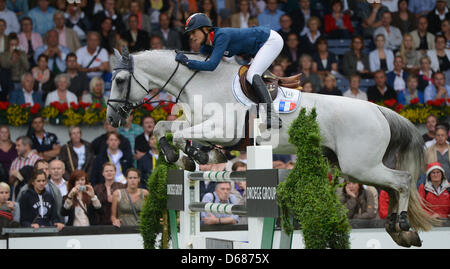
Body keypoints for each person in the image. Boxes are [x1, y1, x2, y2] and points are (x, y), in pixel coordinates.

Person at [175, 13, 283, 129]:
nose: (191, 36)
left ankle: (272, 116)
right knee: (244, 78)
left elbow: (211, 66)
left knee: (252, 75)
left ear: (205, 29)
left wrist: (187, 62)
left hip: (270, 41)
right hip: (257, 49)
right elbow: (199, 59)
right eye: (190, 34)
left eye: (193, 32)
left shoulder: (221, 36)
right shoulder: (208, 44)